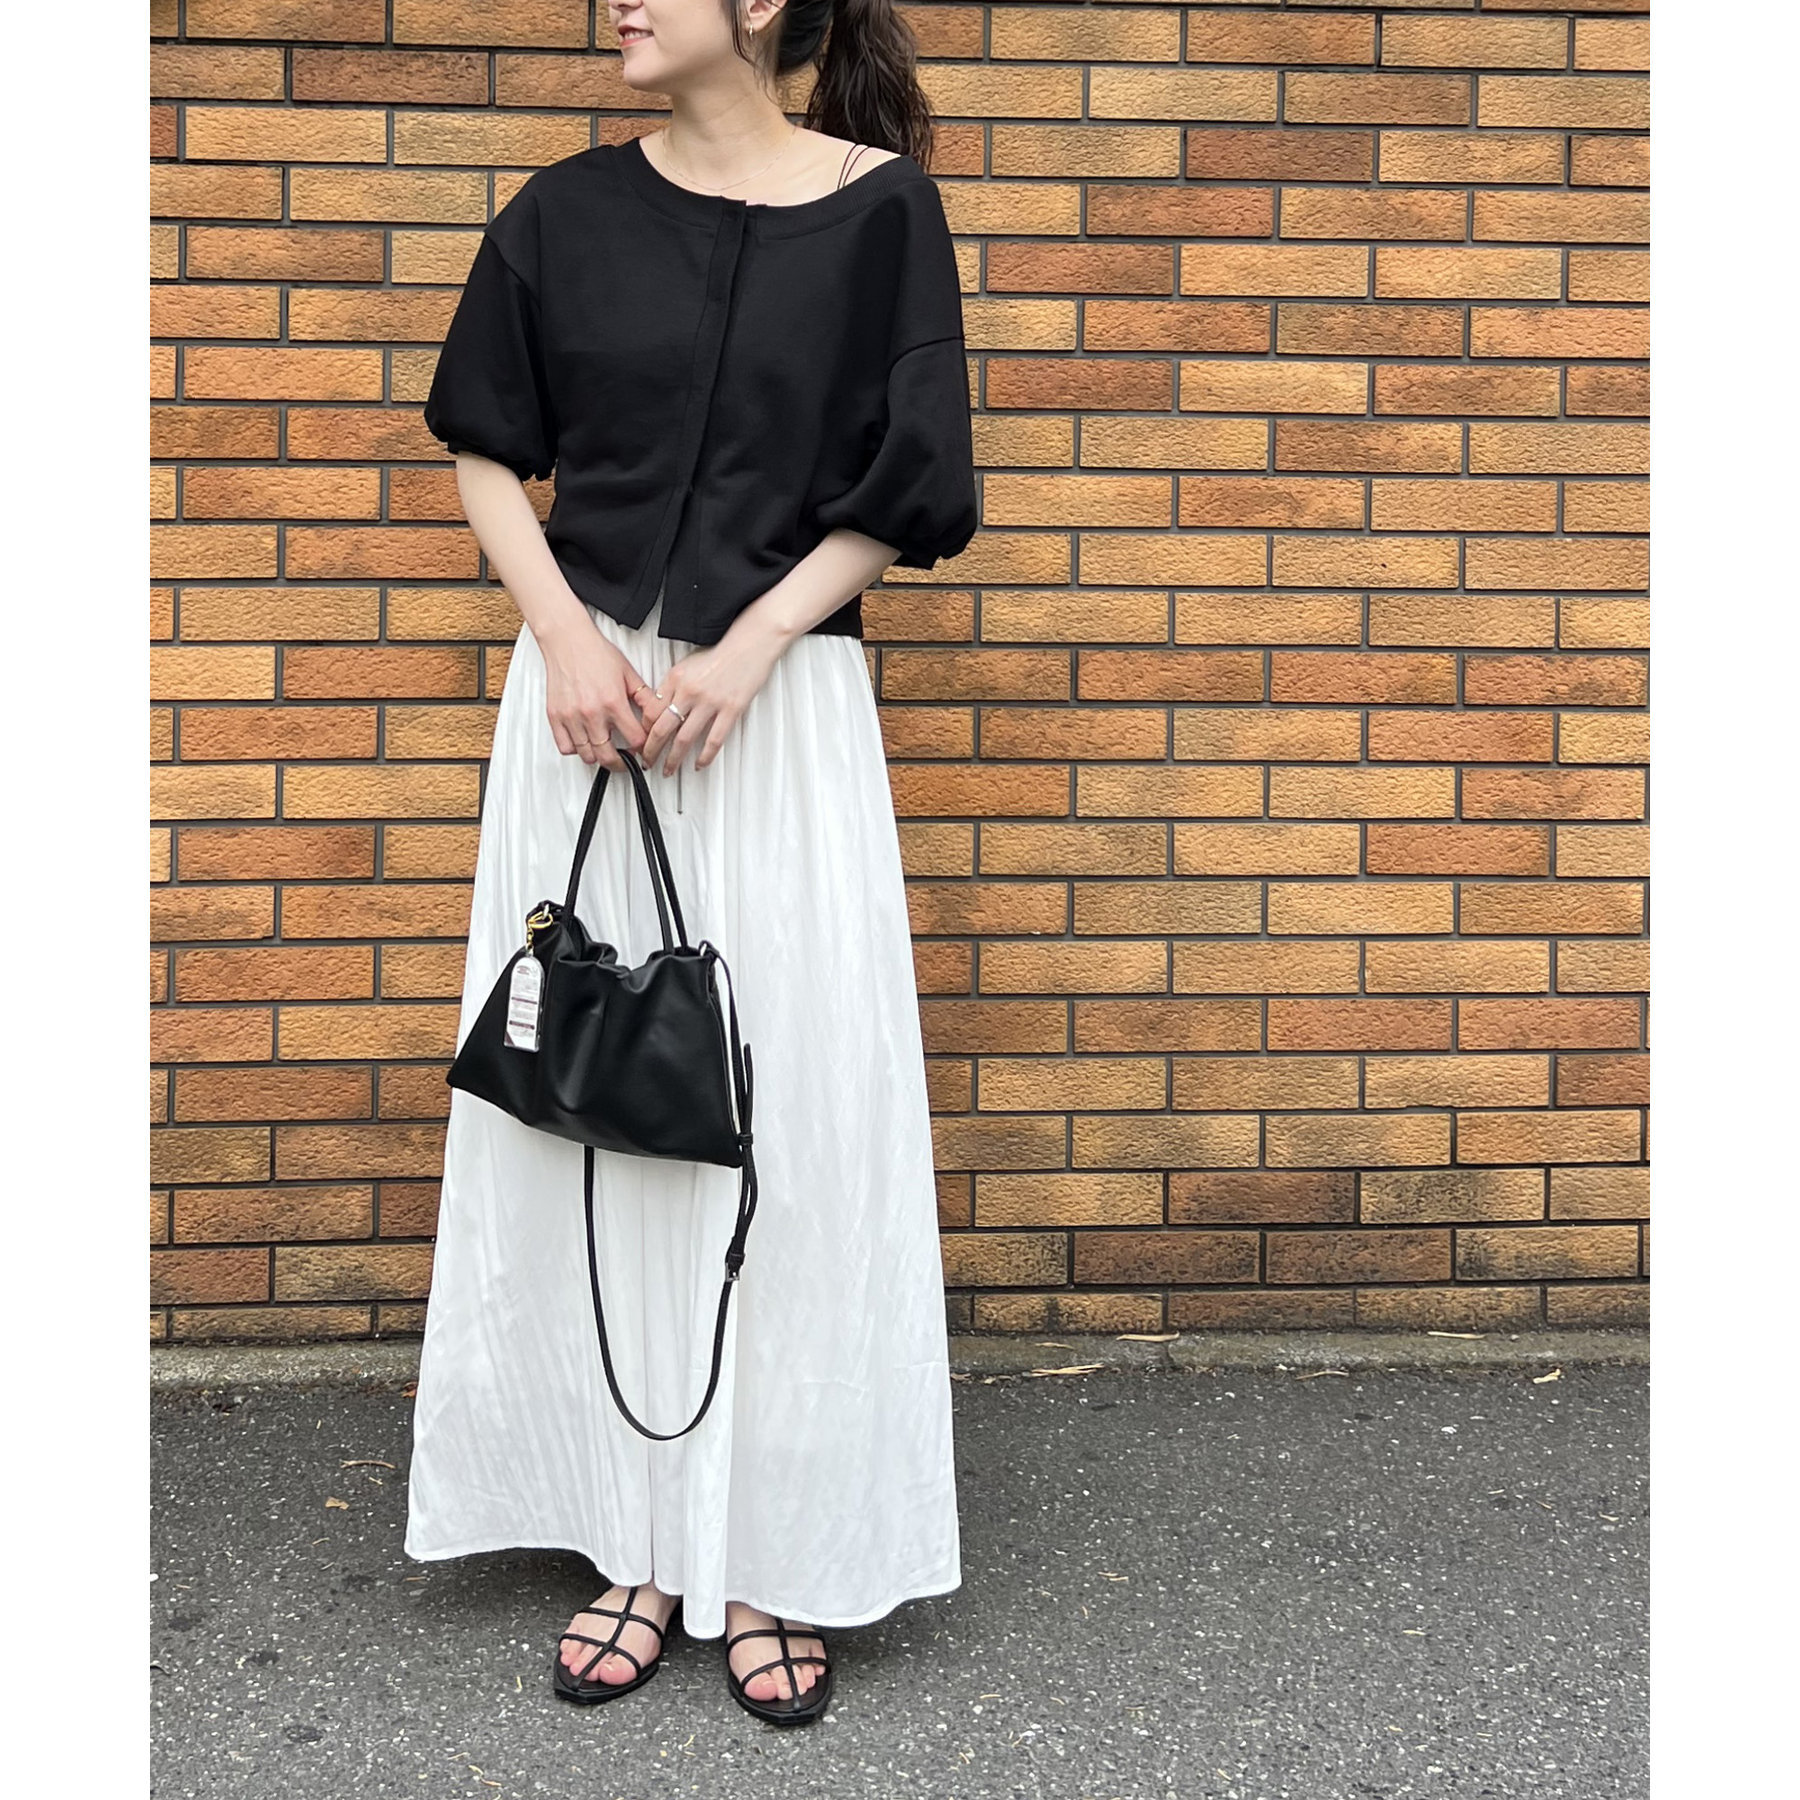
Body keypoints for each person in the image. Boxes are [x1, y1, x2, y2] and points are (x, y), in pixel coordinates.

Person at [401, 0, 979, 1729]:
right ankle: (635, 1538)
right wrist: (569, 641)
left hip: (775, 715)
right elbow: (485, 444)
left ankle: (772, 1549)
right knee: (599, 1111)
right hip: (585, 712)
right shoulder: (565, 212)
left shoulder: (884, 212)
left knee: (785, 1113)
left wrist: (750, 648)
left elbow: (911, 476)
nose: (621, 1)